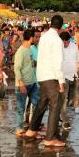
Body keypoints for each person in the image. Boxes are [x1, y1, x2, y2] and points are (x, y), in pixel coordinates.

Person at [25, 15, 66, 147]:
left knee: (42, 103)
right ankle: (50, 138)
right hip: (51, 76)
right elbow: (57, 62)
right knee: (56, 104)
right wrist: (61, 80)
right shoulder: (57, 40)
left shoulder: (44, 37)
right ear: (60, 27)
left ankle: (32, 129)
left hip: (41, 75)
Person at [59, 31, 79, 130]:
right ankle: (65, 120)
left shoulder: (73, 46)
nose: (65, 44)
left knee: (72, 99)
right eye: (63, 42)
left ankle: (61, 114)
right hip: (62, 77)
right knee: (64, 99)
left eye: (66, 42)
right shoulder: (57, 47)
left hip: (73, 75)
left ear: (69, 40)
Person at [14, 30, 39, 137]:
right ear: (31, 38)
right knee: (21, 108)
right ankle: (19, 128)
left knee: (37, 104)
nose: (37, 39)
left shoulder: (30, 50)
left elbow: (31, 64)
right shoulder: (21, 51)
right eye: (35, 37)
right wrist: (21, 83)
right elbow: (17, 68)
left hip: (33, 82)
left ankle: (33, 127)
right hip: (22, 84)